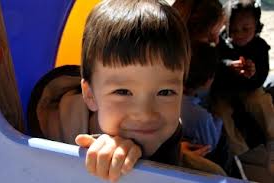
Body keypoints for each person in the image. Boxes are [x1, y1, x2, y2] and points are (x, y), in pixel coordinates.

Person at [73, 0, 228, 181]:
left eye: (165, 92)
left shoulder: (209, 177)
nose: (145, 114)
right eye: (123, 92)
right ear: (90, 94)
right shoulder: (67, 159)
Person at [211, 0, 273, 155]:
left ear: (257, 26)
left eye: (246, 29)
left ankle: (272, 136)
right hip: (224, 92)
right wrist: (228, 66)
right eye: (233, 30)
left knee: (260, 100)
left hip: (249, 89)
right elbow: (215, 67)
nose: (239, 34)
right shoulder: (222, 44)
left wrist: (253, 75)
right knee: (220, 111)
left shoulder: (260, 47)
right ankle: (238, 150)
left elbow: (261, 78)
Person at [181, 43, 222, 151]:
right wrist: (218, 120)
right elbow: (210, 146)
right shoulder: (202, 117)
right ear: (209, 80)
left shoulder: (165, 98)